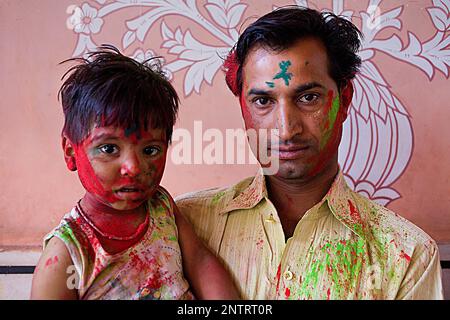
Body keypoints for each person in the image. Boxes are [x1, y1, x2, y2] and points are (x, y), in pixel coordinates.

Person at [175, 6, 444, 299]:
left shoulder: (407, 255)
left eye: (308, 98)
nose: (287, 129)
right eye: (263, 100)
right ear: (243, 107)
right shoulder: (181, 225)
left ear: (344, 100)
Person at [30, 45, 240, 300]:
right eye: (109, 148)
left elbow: (200, 263)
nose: (134, 167)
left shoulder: (162, 208)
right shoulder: (67, 253)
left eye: (150, 150)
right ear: (70, 151)